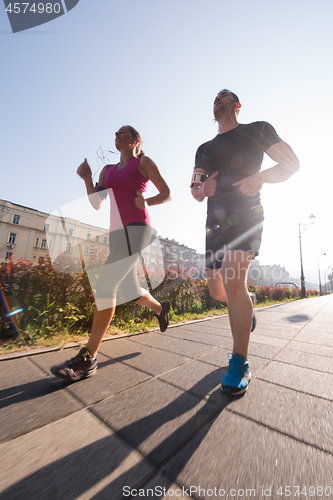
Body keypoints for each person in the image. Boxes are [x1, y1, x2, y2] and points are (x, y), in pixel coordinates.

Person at [191, 89, 299, 395]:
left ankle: (240, 362)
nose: (218, 99)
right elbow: (195, 190)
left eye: (225, 96)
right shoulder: (204, 148)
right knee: (217, 291)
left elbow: (291, 163)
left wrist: (260, 178)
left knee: (233, 281)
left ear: (237, 105)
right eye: (215, 96)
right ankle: (247, 305)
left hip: (247, 213)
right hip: (215, 222)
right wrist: (203, 189)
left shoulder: (258, 130)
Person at [51, 125, 172, 381]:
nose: (116, 136)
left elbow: (167, 193)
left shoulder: (143, 162)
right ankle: (161, 309)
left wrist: (147, 201)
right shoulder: (107, 171)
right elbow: (97, 203)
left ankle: (89, 358)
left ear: (136, 140)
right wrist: (87, 178)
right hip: (116, 232)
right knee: (128, 289)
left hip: (138, 228)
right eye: (115, 134)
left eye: (123, 133)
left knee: (106, 283)